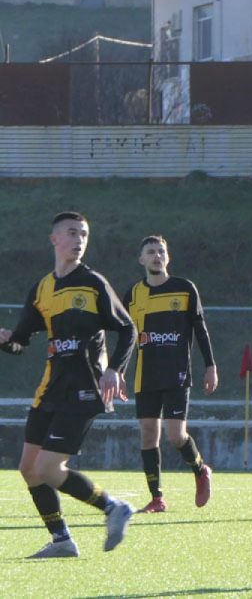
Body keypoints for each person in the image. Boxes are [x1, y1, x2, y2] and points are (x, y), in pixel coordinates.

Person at [0, 212, 138, 558]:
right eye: (72, 233)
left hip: (85, 388)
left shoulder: (92, 283)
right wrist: (5, 341)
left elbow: (128, 328)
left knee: (48, 468)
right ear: (54, 239)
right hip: (51, 389)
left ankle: (114, 507)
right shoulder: (42, 289)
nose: (79, 240)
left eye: (84, 234)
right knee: (29, 468)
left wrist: (115, 369)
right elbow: (20, 342)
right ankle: (62, 540)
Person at [122, 235, 218, 513]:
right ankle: (157, 498)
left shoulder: (184, 289)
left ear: (168, 257)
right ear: (141, 259)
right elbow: (127, 337)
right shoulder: (133, 295)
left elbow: (200, 329)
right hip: (146, 375)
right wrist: (120, 372)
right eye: (151, 252)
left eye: (161, 251)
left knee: (176, 435)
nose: (157, 256)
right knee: (148, 434)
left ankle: (200, 470)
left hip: (176, 373)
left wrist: (210, 365)